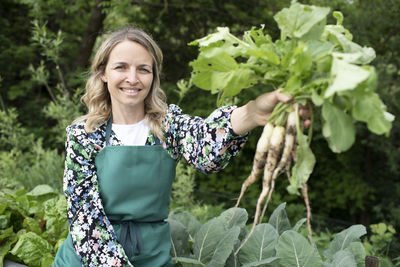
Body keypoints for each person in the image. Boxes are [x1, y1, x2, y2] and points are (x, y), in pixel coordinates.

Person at [53, 27, 306, 267]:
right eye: (121, 67)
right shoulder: (85, 135)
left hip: (151, 256)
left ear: (153, 77)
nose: (133, 78)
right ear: (103, 73)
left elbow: (208, 146)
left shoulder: (167, 126)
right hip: (89, 259)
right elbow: (86, 219)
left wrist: (253, 112)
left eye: (143, 69)